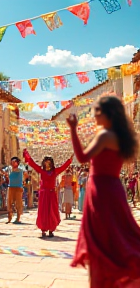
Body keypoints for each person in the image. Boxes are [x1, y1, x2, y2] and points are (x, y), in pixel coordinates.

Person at [67, 95, 140, 287]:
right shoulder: (119, 137)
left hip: (101, 192)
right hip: (113, 190)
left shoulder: (105, 135)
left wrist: (73, 130)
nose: (94, 115)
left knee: (99, 242)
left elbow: (82, 157)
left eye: (97, 111)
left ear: (109, 114)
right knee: (115, 239)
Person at [23, 149, 73, 237]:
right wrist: (26, 154)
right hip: (44, 194)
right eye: (46, 162)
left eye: (49, 162)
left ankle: (51, 230)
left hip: (52, 194)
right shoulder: (41, 171)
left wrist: (69, 160)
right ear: (44, 163)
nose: (47, 164)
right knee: (43, 212)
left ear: (51, 163)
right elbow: (32, 164)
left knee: (52, 212)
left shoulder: (55, 171)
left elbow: (63, 167)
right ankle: (43, 230)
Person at [4, 156, 28, 224]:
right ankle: (9, 218)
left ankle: (18, 218)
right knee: (9, 203)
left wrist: (23, 180)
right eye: (12, 162)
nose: (13, 163)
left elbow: (26, 174)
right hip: (11, 187)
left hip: (18, 187)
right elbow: (3, 172)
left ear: (17, 163)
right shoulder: (9, 168)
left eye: (14, 162)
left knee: (18, 203)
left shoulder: (20, 169)